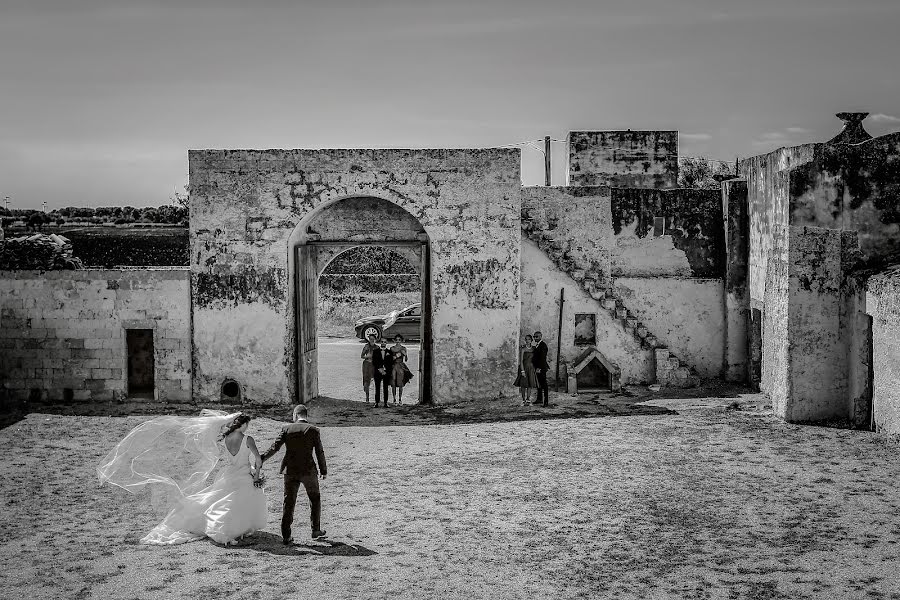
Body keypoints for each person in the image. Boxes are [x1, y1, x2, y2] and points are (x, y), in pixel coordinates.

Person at [97, 410, 268, 545]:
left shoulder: (226, 438)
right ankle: (225, 527)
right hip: (243, 473)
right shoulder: (248, 439)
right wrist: (256, 474)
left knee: (225, 497)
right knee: (236, 500)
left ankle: (234, 527)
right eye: (247, 424)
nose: (248, 427)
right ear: (243, 424)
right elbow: (258, 460)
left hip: (229, 473)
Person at [261, 404, 328, 545]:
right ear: (306, 415)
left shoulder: (286, 429)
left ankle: (286, 535)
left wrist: (262, 458)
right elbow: (319, 452)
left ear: (295, 415)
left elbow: (275, 447)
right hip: (308, 470)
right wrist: (323, 470)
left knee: (289, 501)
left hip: (290, 470)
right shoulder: (313, 430)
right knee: (314, 499)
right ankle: (315, 530)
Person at [389, 334, 413, 404]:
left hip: (401, 366)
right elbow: (390, 359)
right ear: (394, 340)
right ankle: (394, 399)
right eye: (396, 340)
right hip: (394, 365)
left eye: (399, 340)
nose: (398, 341)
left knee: (400, 383)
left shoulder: (403, 348)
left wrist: (405, 355)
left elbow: (406, 359)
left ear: (401, 341)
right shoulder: (392, 348)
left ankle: (400, 399)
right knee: (393, 382)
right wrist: (396, 356)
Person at [517, 334, 538, 406]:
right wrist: (522, 370)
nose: (527, 341)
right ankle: (523, 400)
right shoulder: (523, 349)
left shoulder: (534, 349)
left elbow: (536, 359)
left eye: (529, 339)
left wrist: (536, 367)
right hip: (524, 368)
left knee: (530, 384)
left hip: (531, 368)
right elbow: (521, 360)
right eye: (526, 339)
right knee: (523, 384)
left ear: (531, 340)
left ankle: (528, 399)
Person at [531, 330, 550, 407]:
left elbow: (542, 358)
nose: (535, 338)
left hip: (541, 368)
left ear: (540, 337)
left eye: (537, 337)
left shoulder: (543, 345)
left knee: (544, 384)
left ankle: (546, 401)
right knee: (538, 384)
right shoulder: (537, 345)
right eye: (534, 337)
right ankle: (539, 399)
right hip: (537, 368)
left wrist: (539, 368)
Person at [372, 340, 392, 407]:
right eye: (382, 342)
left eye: (385, 342)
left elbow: (391, 362)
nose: (383, 343)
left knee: (385, 387)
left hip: (386, 372)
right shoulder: (375, 351)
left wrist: (385, 370)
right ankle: (376, 402)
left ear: (386, 343)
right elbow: (374, 361)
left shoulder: (389, 352)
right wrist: (379, 369)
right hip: (378, 371)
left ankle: (386, 402)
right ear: (380, 343)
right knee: (377, 387)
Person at [361, 334, 379, 403]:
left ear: (375, 340)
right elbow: (362, 356)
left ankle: (376, 399)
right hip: (367, 364)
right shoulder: (366, 346)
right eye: (370, 339)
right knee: (366, 380)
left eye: (373, 339)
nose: (371, 340)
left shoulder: (377, 348)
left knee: (376, 380)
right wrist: (366, 356)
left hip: (374, 365)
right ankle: (367, 398)